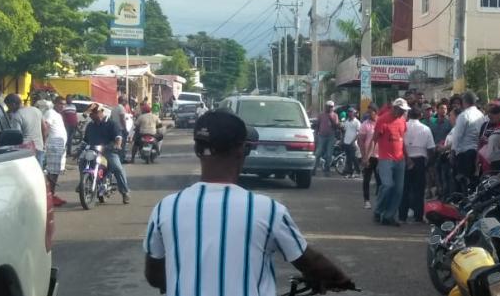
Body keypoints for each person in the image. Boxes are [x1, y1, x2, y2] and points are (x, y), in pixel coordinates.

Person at [143, 111, 354, 296]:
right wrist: (342, 280)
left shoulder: (165, 208)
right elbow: (310, 262)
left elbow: (154, 276)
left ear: (198, 150)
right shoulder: (268, 211)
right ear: (241, 151)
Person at [83, 103, 131, 204]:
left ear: (100, 112)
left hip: (108, 151)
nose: (91, 116)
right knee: (82, 162)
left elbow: (118, 137)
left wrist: (117, 144)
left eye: (93, 114)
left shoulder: (112, 124)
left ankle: (125, 192)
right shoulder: (90, 125)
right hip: (93, 152)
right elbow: (85, 140)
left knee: (117, 168)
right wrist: (79, 149)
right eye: (90, 114)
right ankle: (83, 184)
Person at [372, 98, 410, 226]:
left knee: (398, 189)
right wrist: (370, 156)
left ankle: (389, 216)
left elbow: (402, 140)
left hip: (400, 159)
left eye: (404, 111)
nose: (402, 113)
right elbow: (375, 139)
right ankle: (378, 210)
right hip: (385, 158)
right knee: (388, 185)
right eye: (401, 110)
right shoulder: (382, 119)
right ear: (395, 108)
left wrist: (407, 157)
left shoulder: (402, 121)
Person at [400, 108, 435, 224]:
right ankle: (418, 216)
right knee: (419, 190)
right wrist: (429, 163)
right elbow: (431, 148)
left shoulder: (403, 126)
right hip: (420, 160)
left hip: (405, 159)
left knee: (404, 189)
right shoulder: (426, 129)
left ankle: (402, 215)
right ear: (420, 116)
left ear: (408, 115)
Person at [450, 92, 485, 193]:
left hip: (464, 153)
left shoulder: (463, 115)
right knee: (473, 181)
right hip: (477, 152)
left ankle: (462, 203)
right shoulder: (481, 115)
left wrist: (453, 152)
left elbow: (457, 136)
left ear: (464, 102)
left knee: (462, 181)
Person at [5, 94, 48, 166]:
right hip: (39, 147)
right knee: (38, 173)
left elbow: (16, 136)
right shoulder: (36, 110)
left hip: (25, 151)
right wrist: (43, 144)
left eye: (8, 106)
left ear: (13, 104)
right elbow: (45, 128)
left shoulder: (17, 116)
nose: (8, 109)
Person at [45, 97, 69, 206]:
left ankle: (52, 195)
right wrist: (44, 141)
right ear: (55, 103)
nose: (62, 106)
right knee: (52, 173)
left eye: (64, 104)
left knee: (56, 172)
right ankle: (50, 196)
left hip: (59, 147)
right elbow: (46, 127)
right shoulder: (50, 112)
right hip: (53, 145)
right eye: (60, 104)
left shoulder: (58, 115)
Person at [428, 103, 453, 199]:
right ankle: (438, 192)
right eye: (442, 108)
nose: (444, 110)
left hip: (446, 152)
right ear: (437, 110)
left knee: (444, 173)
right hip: (435, 151)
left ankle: (445, 194)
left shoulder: (449, 122)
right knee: (435, 173)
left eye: (445, 108)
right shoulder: (432, 123)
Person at [358, 108, 379, 209]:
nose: (370, 114)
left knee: (380, 180)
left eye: (372, 112)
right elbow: (361, 141)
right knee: (367, 179)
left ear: (376, 112)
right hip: (368, 156)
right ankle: (367, 200)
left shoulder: (380, 122)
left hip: (380, 155)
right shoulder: (365, 124)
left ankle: (380, 200)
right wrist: (364, 156)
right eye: (369, 112)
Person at [482, 105, 500, 172]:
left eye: (492, 117)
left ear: (499, 114)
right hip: (494, 161)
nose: (491, 120)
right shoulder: (499, 124)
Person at [314, 101, 340, 177]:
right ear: (325, 106)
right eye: (328, 106)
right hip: (321, 136)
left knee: (329, 154)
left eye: (331, 106)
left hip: (331, 137)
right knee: (318, 153)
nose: (330, 108)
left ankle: (327, 169)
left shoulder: (335, 115)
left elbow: (336, 126)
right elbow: (317, 125)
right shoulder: (321, 115)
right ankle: (313, 169)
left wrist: (331, 118)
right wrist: (316, 135)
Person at [341, 109, 361, 178]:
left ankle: (357, 171)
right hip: (346, 142)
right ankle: (349, 173)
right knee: (348, 159)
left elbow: (358, 134)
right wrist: (342, 140)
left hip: (353, 143)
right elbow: (345, 131)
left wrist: (353, 141)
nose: (350, 114)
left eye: (351, 112)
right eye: (349, 112)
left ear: (354, 113)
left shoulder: (357, 122)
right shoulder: (346, 122)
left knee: (354, 158)